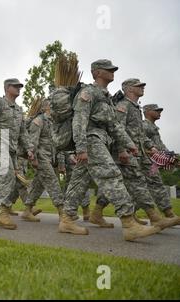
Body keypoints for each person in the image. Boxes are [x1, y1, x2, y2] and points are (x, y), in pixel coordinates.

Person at [64, 59, 160, 240]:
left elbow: (114, 125)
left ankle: (66, 219)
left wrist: (129, 144)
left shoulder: (106, 97)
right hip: (91, 139)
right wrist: (81, 147)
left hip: (102, 139)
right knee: (112, 175)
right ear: (97, 73)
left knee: (79, 182)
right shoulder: (88, 92)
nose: (112, 72)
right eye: (108, 69)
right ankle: (129, 223)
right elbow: (79, 121)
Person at [95, 79, 179, 230]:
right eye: (139, 86)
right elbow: (117, 129)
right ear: (129, 89)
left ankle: (166, 214)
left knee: (140, 182)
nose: (143, 88)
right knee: (133, 183)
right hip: (126, 152)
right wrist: (121, 150)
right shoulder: (123, 106)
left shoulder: (135, 108)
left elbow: (140, 134)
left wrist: (151, 147)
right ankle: (155, 217)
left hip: (138, 153)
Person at [0, 78, 34, 230]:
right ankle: (4, 213)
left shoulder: (18, 109)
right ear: (7, 88)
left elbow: (22, 131)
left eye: (19, 87)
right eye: (15, 86)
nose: (19, 89)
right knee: (8, 176)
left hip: (11, 149)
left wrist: (29, 148)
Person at [23, 99, 65, 223]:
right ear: (46, 108)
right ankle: (63, 212)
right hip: (41, 157)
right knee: (53, 182)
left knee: (38, 185)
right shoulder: (38, 121)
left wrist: (60, 162)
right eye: (53, 106)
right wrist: (34, 159)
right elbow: (33, 142)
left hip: (49, 158)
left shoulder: (53, 122)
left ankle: (27, 210)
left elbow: (58, 144)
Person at [142, 104, 179, 218]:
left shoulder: (153, 128)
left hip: (153, 162)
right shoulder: (144, 126)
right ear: (147, 112)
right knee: (155, 184)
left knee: (142, 187)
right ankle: (169, 213)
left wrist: (174, 158)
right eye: (156, 110)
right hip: (145, 161)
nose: (159, 112)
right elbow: (140, 142)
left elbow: (160, 147)